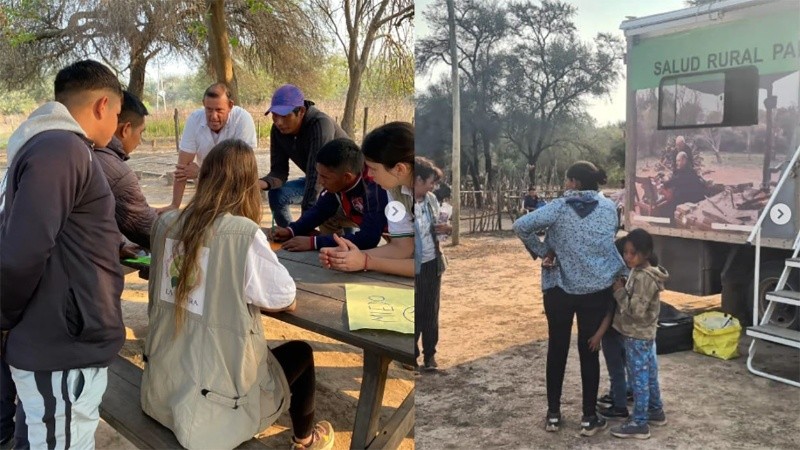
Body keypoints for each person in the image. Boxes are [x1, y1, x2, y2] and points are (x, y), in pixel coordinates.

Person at [141, 139, 334, 450]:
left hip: (162, 391)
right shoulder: (243, 234)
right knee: (301, 352)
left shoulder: (165, 224)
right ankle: (306, 439)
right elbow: (285, 297)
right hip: (212, 401)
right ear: (248, 185)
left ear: (203, 179)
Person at [0, 59, 125, 449]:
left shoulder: (55, 148)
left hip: (57, 340)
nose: (117, 124)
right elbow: (23, 252)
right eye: (118, 114)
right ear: (103, 105)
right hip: (61, 348)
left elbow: (58, 235)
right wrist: (4, 316)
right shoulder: (62, 149)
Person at [513, 161, 626, 436]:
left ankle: (553, 414)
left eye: (567, 181)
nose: (565, 185)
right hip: (595, 291)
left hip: (559, 290)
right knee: (590, 350)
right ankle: (589, 416)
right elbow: (607, 238)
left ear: (574, 182)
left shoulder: (559, 207)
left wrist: (543, 251)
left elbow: (520, 225)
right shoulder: (610, 208)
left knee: (557, 348)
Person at [320, 122, 415, 277]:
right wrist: (348, 258)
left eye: (373, 168)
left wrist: (366, 261)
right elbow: (401, 248)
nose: (368, 175)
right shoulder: (395, 188)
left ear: (399, 169)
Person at [270, 138, 388, 252]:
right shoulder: (339, 180)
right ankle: (338, 250)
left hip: (392, 228)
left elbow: (369, 239)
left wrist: (314, 242)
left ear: (347, 177)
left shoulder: (374, 190)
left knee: (396, 254)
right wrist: (291, 230)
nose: (320, 181)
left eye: (325, 177)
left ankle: (344, 250)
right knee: (328, 217)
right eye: (319, 174)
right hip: (362, 216)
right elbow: (320, 210)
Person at [258, 84, 348, 227]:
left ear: (301, 111)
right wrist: (260, 184)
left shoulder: (320, 124)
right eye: (274, 116)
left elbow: (315, 177)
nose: (279, 122)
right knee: (277, 194)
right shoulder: (277, 130)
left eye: (285, 116)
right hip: (317, 181)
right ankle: (289, 235)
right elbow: (279, 171)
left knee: (345, 237)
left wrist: (304, 226)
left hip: (344, 186)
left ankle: (301, 235)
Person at [609, 228, 669, 440]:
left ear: (645, 254)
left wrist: (619, 291)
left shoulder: (644, 277)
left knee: (639, 378)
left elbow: (635, 311)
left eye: (632, 253)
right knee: (649, 373)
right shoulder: (641, 271)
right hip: (645, 334)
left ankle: (640, 422)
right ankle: (655, 410)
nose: (627, 257)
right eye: (625, 252)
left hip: (637, 335)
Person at [162, 82, 257, 211]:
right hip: (206, 188)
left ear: (230, 106)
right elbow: (182, 169)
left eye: (219, 110)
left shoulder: (243, 120)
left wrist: (201, 172)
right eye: (209, 109)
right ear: (203, 104)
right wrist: (174, 205)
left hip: (237, 190)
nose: (213, 116)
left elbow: (240, 171)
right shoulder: (194, 120)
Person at [95, 90, 157, 249]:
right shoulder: (116, 171)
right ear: (126, 129)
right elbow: (148, 230)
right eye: (141, 132)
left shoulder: (69, 147)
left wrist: (119, 244)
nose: (140, 141)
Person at [414, 157, 450, 371]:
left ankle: (430, 355)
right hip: (413, 267)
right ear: (418, 179)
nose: (433, 187)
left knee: (430, 311)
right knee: (415, 311)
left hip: (432, 264)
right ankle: (412, 356)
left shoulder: (431, 200)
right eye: (430, 182)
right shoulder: (401, 203)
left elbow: (440, 229)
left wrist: (446, 230)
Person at [597, 236, 634, 420]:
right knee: (626, 363)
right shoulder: (631, 275)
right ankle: (624, 393)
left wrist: (598, 334)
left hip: (613, 330)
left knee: (615, 368)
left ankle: (619, 405)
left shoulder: (614, 280)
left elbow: (609, 311)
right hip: (627, 329)